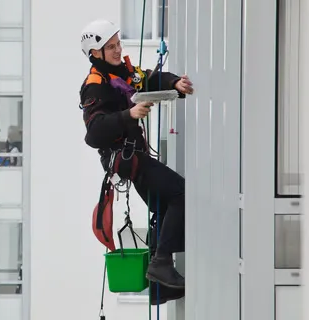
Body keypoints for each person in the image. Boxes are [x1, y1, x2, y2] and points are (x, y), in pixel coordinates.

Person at [80, 19, 194, 295]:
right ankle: (162, 264)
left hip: (135, 156)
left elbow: (148, 78)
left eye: (118, 44)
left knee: (166, 204)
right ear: (96, 53)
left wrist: (174, 82)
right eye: (111, 47)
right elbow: (94, 133)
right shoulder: (95, 85)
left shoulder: (122, 73)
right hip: (127, 158)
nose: (118, 50)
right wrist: (127, 115)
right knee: (180, 193)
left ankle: (161, 282)